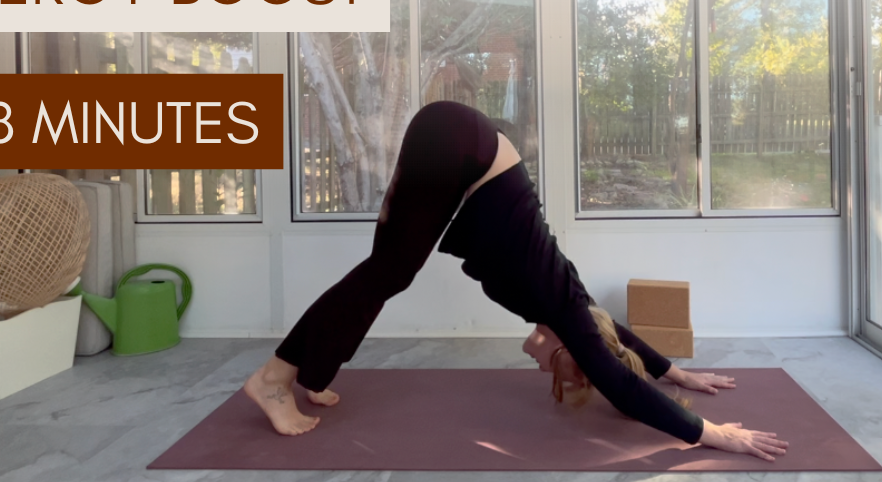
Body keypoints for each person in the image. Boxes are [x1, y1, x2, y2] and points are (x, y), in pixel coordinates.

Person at [245, 101, 788, 462]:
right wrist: (714, 434)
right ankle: (274, 378)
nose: (541, 366)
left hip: (467, 147)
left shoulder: (562, 305)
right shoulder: (565, 309)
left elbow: (617, 340)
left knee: (388, 272)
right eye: (562, 371)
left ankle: (313, 370)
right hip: (461, 144)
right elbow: (618, 374)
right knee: (388, 271)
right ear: (574, 350)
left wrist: (678, 373)